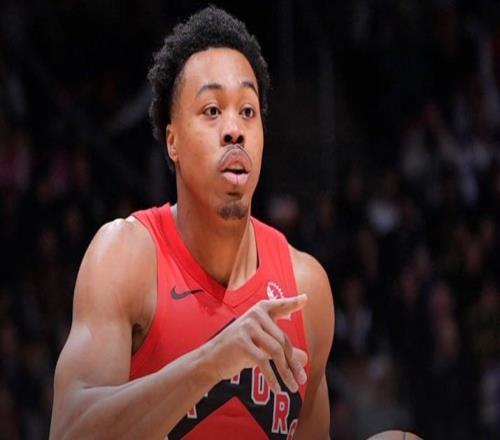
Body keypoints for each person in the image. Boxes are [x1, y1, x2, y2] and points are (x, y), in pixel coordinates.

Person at [50, 6, 334, 439]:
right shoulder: (125, 258)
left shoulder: (306, 289)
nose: (234, 130)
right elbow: (68, 433)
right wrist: (212, 362)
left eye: (248, 111)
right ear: (173, 141)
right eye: (212, 110)